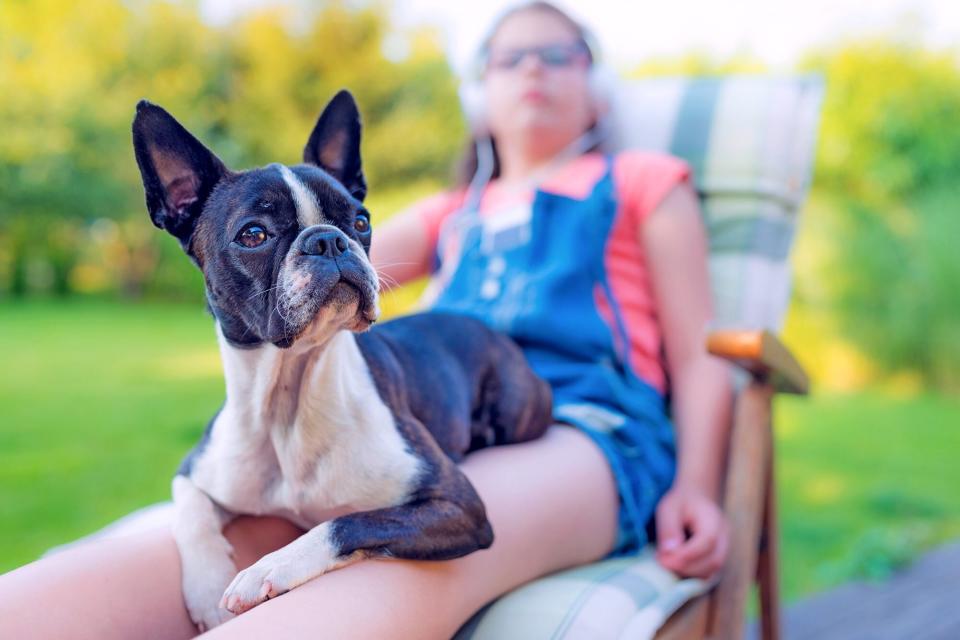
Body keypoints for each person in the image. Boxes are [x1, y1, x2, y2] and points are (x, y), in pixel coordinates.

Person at [0, 2, 731, 638]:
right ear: (480, 94)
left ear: (597, 92)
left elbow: (702, 352)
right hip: (412, 414)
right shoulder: (457, 210)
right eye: (510, 58)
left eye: (559, 55)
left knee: (394, 567)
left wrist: (699, 482)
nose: (534, 70)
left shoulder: (639, 179)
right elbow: (322, 251)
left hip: (586, 422)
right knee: (155, 565)